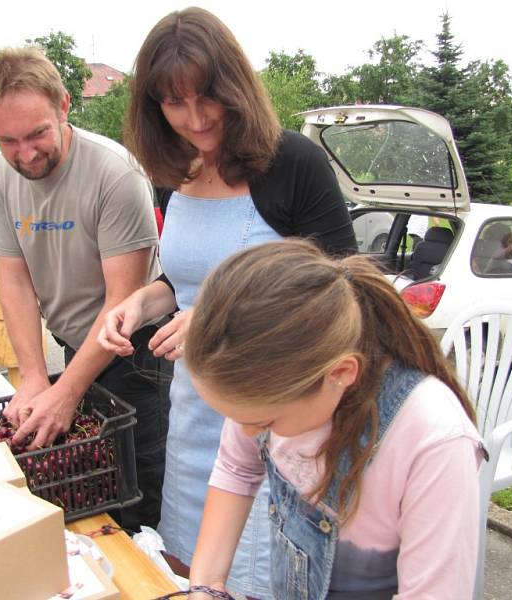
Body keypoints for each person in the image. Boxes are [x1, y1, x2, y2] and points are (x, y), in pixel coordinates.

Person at [97, 8, 356, 596]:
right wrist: (141, 302)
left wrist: (217, 324)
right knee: (196, 570)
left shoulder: (293, 163)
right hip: (193, 419)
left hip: (281, 420)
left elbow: (344, 294)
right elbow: (188, 279)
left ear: (235, 85)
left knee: (270, 577)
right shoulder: (177, 170)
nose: (194, 118)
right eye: (173, 103)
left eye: (206, 97)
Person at [180, 239, 483, 599]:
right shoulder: (267, 384)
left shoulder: (434, 438)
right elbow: (236, 469)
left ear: (339, 373)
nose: (247, 433)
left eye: (264, 423)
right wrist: (203, 587)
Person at [0, 46, 169, 530]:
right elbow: (14, 279)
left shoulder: (112, 173)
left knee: (135, 483)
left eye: (37, 133)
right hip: (74, 341)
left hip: (135, 350)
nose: (25, 153)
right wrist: (36, 377)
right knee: (84, 479)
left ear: (63, 106)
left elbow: (120, 301)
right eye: (8, 140)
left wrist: (68, 392)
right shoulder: (0, 176)